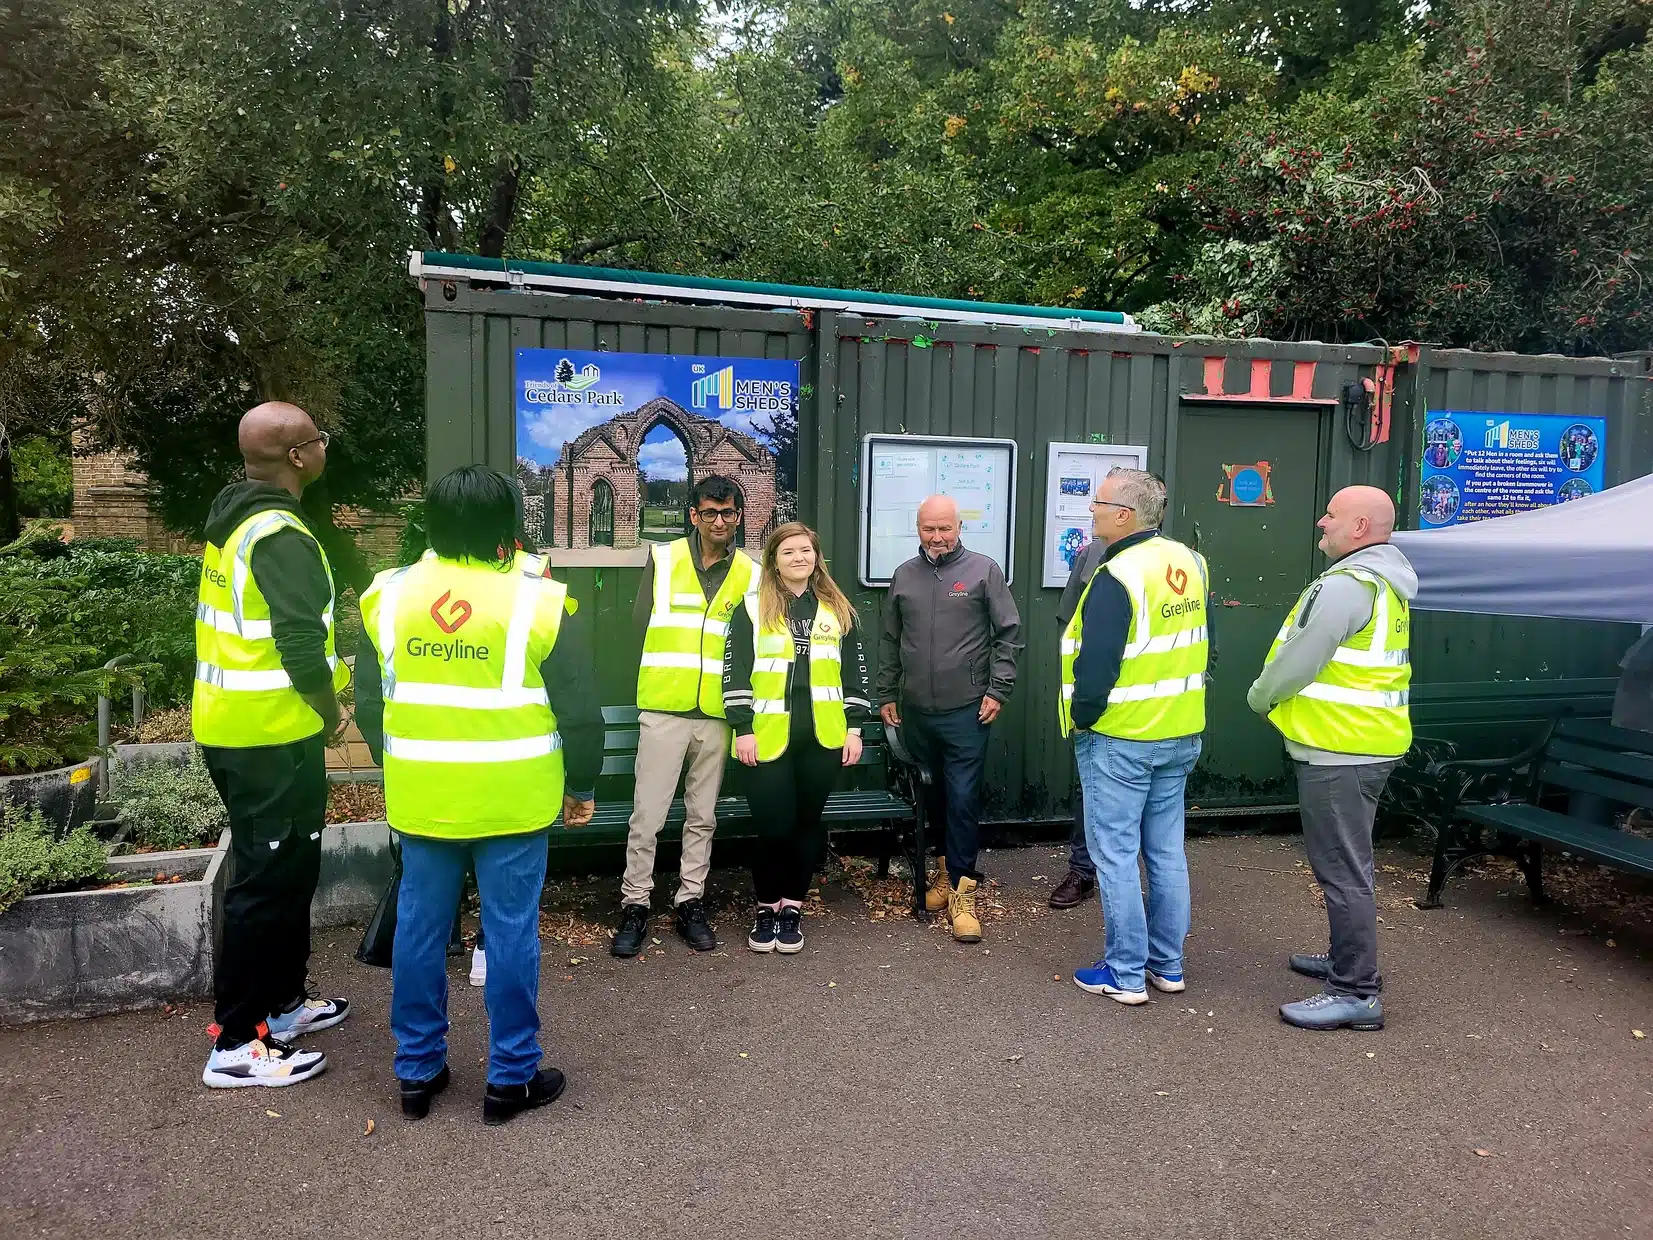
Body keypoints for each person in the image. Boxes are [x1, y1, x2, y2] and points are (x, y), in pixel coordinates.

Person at [354, 466, 603, 1124]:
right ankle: (510, 1079)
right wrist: (582, 784)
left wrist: (402, 761)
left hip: (423, 795)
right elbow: (580, 709)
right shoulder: (539, 599)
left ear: (430, 521)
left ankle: (417, 1073)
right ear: (507, 523)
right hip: (512, 796)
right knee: (510, 932)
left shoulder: (388, 594)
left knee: (420, 930)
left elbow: (370, 701)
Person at [195, 402, 352, 1089]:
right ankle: (235, 1043)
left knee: (290, 871)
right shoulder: (280, 535)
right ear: (296, 456)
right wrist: (332, 709)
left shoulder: (240, 519)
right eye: (319, 439)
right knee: (264, 884)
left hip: (246, 728)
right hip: (268, 737)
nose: (324, 448)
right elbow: (299, 646)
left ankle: (284, 1004)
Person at [1247, 485, 1416, 1033]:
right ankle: (1347, 961)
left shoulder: (1347, 586)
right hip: (1363, 745)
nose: (1322, 522)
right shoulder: (1385, 584)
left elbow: (1302, 658)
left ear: (1360, 527)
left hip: (1340, 750)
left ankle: (1355, 991)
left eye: (1332, 515)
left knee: (1342, 871)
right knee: (1350, 866)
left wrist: (1260, 696)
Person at [1061, 469, 1208, 1005]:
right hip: (1179, 730)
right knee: (1166, 853)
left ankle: (1124, 973)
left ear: (1123, 515)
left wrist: (1083, 717)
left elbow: (1096, 663)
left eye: (1098, 503)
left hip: (1121, 736)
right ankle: (1167, 965)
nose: (1091, 510)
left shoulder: (1116, 573)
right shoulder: (1189, 561)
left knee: (1116, 855)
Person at [613, 475, 758, 957]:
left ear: (739, 516)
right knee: (647, 816)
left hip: (717, 713)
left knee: (702, 817)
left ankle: (690, 901)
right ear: (694, 515)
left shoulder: (751, 573)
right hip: (664, 708)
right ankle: (635, 904)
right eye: (710, 512)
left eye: (728, 512)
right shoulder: (664, 558)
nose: (719, 521)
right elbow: (637, 629)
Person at [877, 495, 1022, 943]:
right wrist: (886, 692)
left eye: (945, 528)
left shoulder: (983, 571)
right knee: (933, 797)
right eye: (929, 529)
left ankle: (963, 893)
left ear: (959, 527)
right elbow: (890, 639)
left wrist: (998, 689)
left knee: (962, 800)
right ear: (918, 528)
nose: (937, 537)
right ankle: (943, 875)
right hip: (917, 711)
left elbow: (1009, 634)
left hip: (967, 711)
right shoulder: (904, 575)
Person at [724, 523, 874, 954]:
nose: (798, 558)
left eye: (805, 550)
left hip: (823, 737)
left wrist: (855, 728)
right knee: (773, 827)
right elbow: (734, 671)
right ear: (773, 560)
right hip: (766, 736)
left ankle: (792, 907)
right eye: (788, 552)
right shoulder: (751, 607)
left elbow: (855, 674)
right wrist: (742, 728)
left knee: (807, 825)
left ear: (816, 556)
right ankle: (766, 907)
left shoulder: (837, 609)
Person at [1048, 535, 1107, 909]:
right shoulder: (1092, 556)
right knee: (1092, 789)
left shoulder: (1183, 561)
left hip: (1164, 716)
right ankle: (1083, 872)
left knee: (1157, 812)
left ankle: (1155, 887)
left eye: (1100, 507)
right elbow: (1069, 624)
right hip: (1099, 709)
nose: (1092, 510)